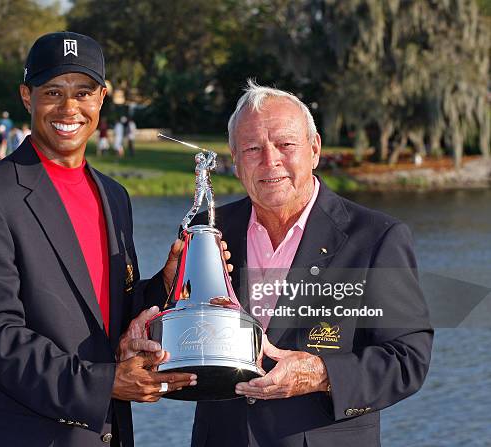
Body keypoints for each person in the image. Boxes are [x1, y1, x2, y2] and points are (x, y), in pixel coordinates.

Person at [0, 31, 197, 447]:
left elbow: (110, 318)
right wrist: (104, 383)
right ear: (27, 96)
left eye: (83, 92)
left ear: (101, 98)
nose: (69, 108)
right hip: (22, 434)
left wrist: (168, 282)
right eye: (53, 91)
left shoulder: (114, 195)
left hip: (105, 434)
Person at [184, 80, 434, 447]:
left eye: (286, 144)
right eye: (253, 148)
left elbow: (407, 359)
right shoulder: (207, 230)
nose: (270, 161)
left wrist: (321, 373)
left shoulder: (377, 237)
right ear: (235, 161)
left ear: (314, 149)